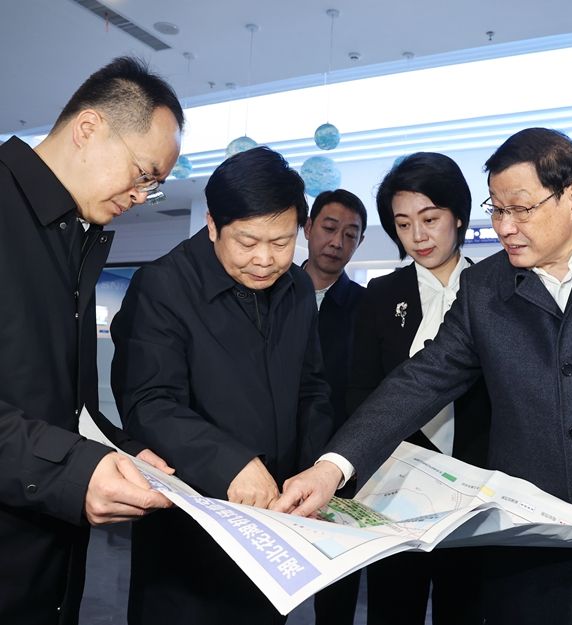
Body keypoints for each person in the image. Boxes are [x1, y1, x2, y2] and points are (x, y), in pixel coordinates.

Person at [275, 128, 572, 625]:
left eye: (521, 209)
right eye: (496, 210)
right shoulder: (485, 287)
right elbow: (419, 380)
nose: (505, 227)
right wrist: (332, 468)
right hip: (532, 570)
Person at [110, 146, 334, 625]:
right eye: (247, 241)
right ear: (213, 225)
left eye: (281, 242)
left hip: (274, 525)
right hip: (190, 528)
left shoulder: (297, 288)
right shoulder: (163, 285)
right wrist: (232, 463)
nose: (265, 259)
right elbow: (149, 402)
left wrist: (314, 471)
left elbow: (311, 388)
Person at [0, 56, 182, 625]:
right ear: (88, 127)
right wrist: (73, 471)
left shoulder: (74, 236)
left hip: (45, 561)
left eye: (155, 186)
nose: (143, 196)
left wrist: (119, 450)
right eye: (144, 174)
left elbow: (58, 401)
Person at [347, 152, 491, 625]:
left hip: (477, 489)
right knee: (393, 607)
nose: (418, 236)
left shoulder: (497, 289)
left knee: (466, 608)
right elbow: (363, 391)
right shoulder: (381, 295)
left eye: (430, 219)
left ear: (459, 215)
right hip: (398, 489)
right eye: (403, 224)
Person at [300, 188, 367, 625]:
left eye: (350, 234)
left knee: (337, 590)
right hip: (272, 456)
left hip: (338, 464)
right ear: (308, 228)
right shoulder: (271, 291)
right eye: (329, 228)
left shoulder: (366, 306)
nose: (337, 242)